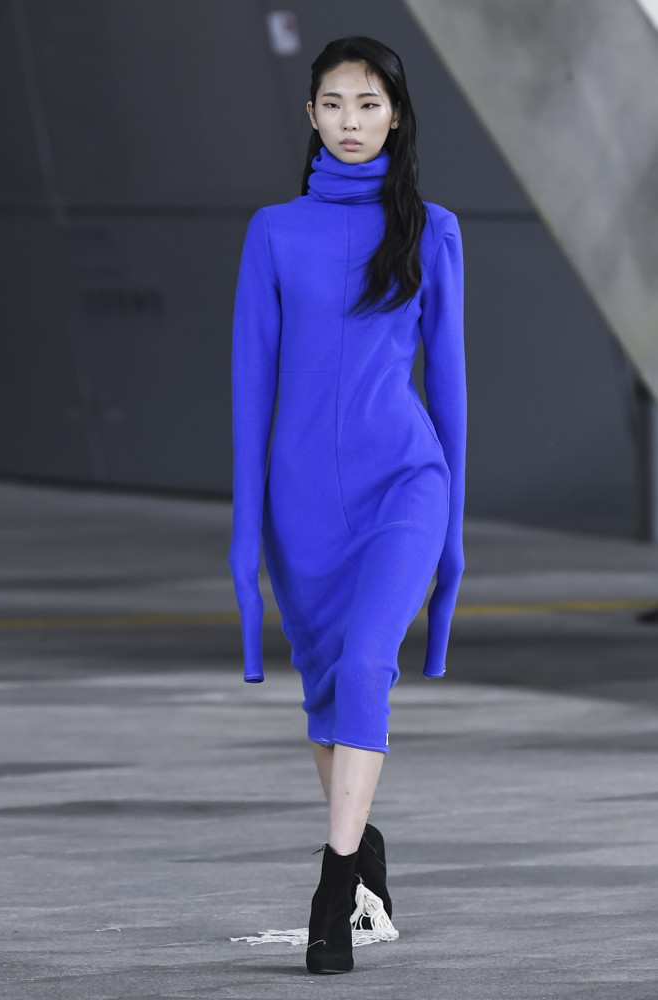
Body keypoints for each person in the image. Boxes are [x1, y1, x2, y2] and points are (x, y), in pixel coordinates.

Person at [228, 36, 466, 974]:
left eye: (368, 105)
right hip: (300, 505)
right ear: (311, 116)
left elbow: (448, 390)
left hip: (404, 481)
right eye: (333, 104)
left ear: (395, 116)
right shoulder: (273, 231)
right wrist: (244, 534)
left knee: (366, 663)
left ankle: (333, 887)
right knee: (327, 686)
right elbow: (250, 391)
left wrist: (453, 538)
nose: (351, 122)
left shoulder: (431, 230)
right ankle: (364, 853)